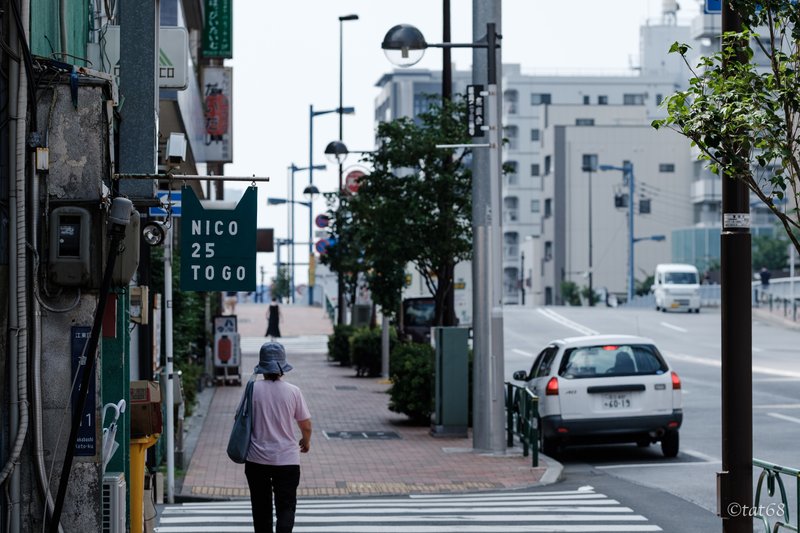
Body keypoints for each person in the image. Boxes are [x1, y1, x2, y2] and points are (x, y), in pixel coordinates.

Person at [246, 342, 312, 533]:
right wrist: (305, 442)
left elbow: (239, 420)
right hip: (287, 460)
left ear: (262, 367)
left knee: (261, 508)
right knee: (286, 507)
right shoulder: (293, 391)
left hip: (256, 459)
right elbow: (306, 425)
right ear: (282, 368)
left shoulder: (252, 390)